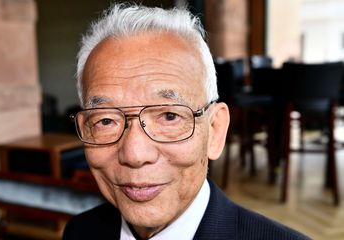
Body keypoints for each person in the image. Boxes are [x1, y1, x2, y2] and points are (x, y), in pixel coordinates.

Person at [63, 3, 309, 240]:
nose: (135, 154)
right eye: (106, 120)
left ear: (215, 130)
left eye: (169, 116)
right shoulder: (80, 231)